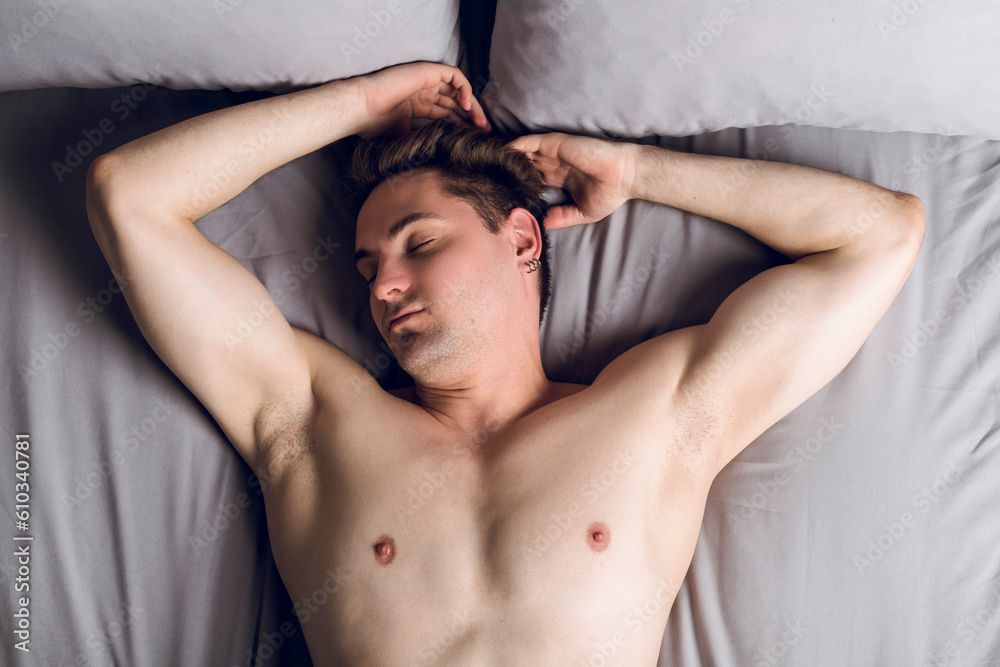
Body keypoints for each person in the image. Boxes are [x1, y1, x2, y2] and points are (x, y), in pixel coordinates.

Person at [85, 61, 925, 665]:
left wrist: (637, 172)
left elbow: (883, 234)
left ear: (522, 239)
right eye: (369, 265)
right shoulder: (311, 419)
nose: (387, 284)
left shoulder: (655, 416)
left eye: (419, 243)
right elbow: (129, 194)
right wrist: (362, 100)